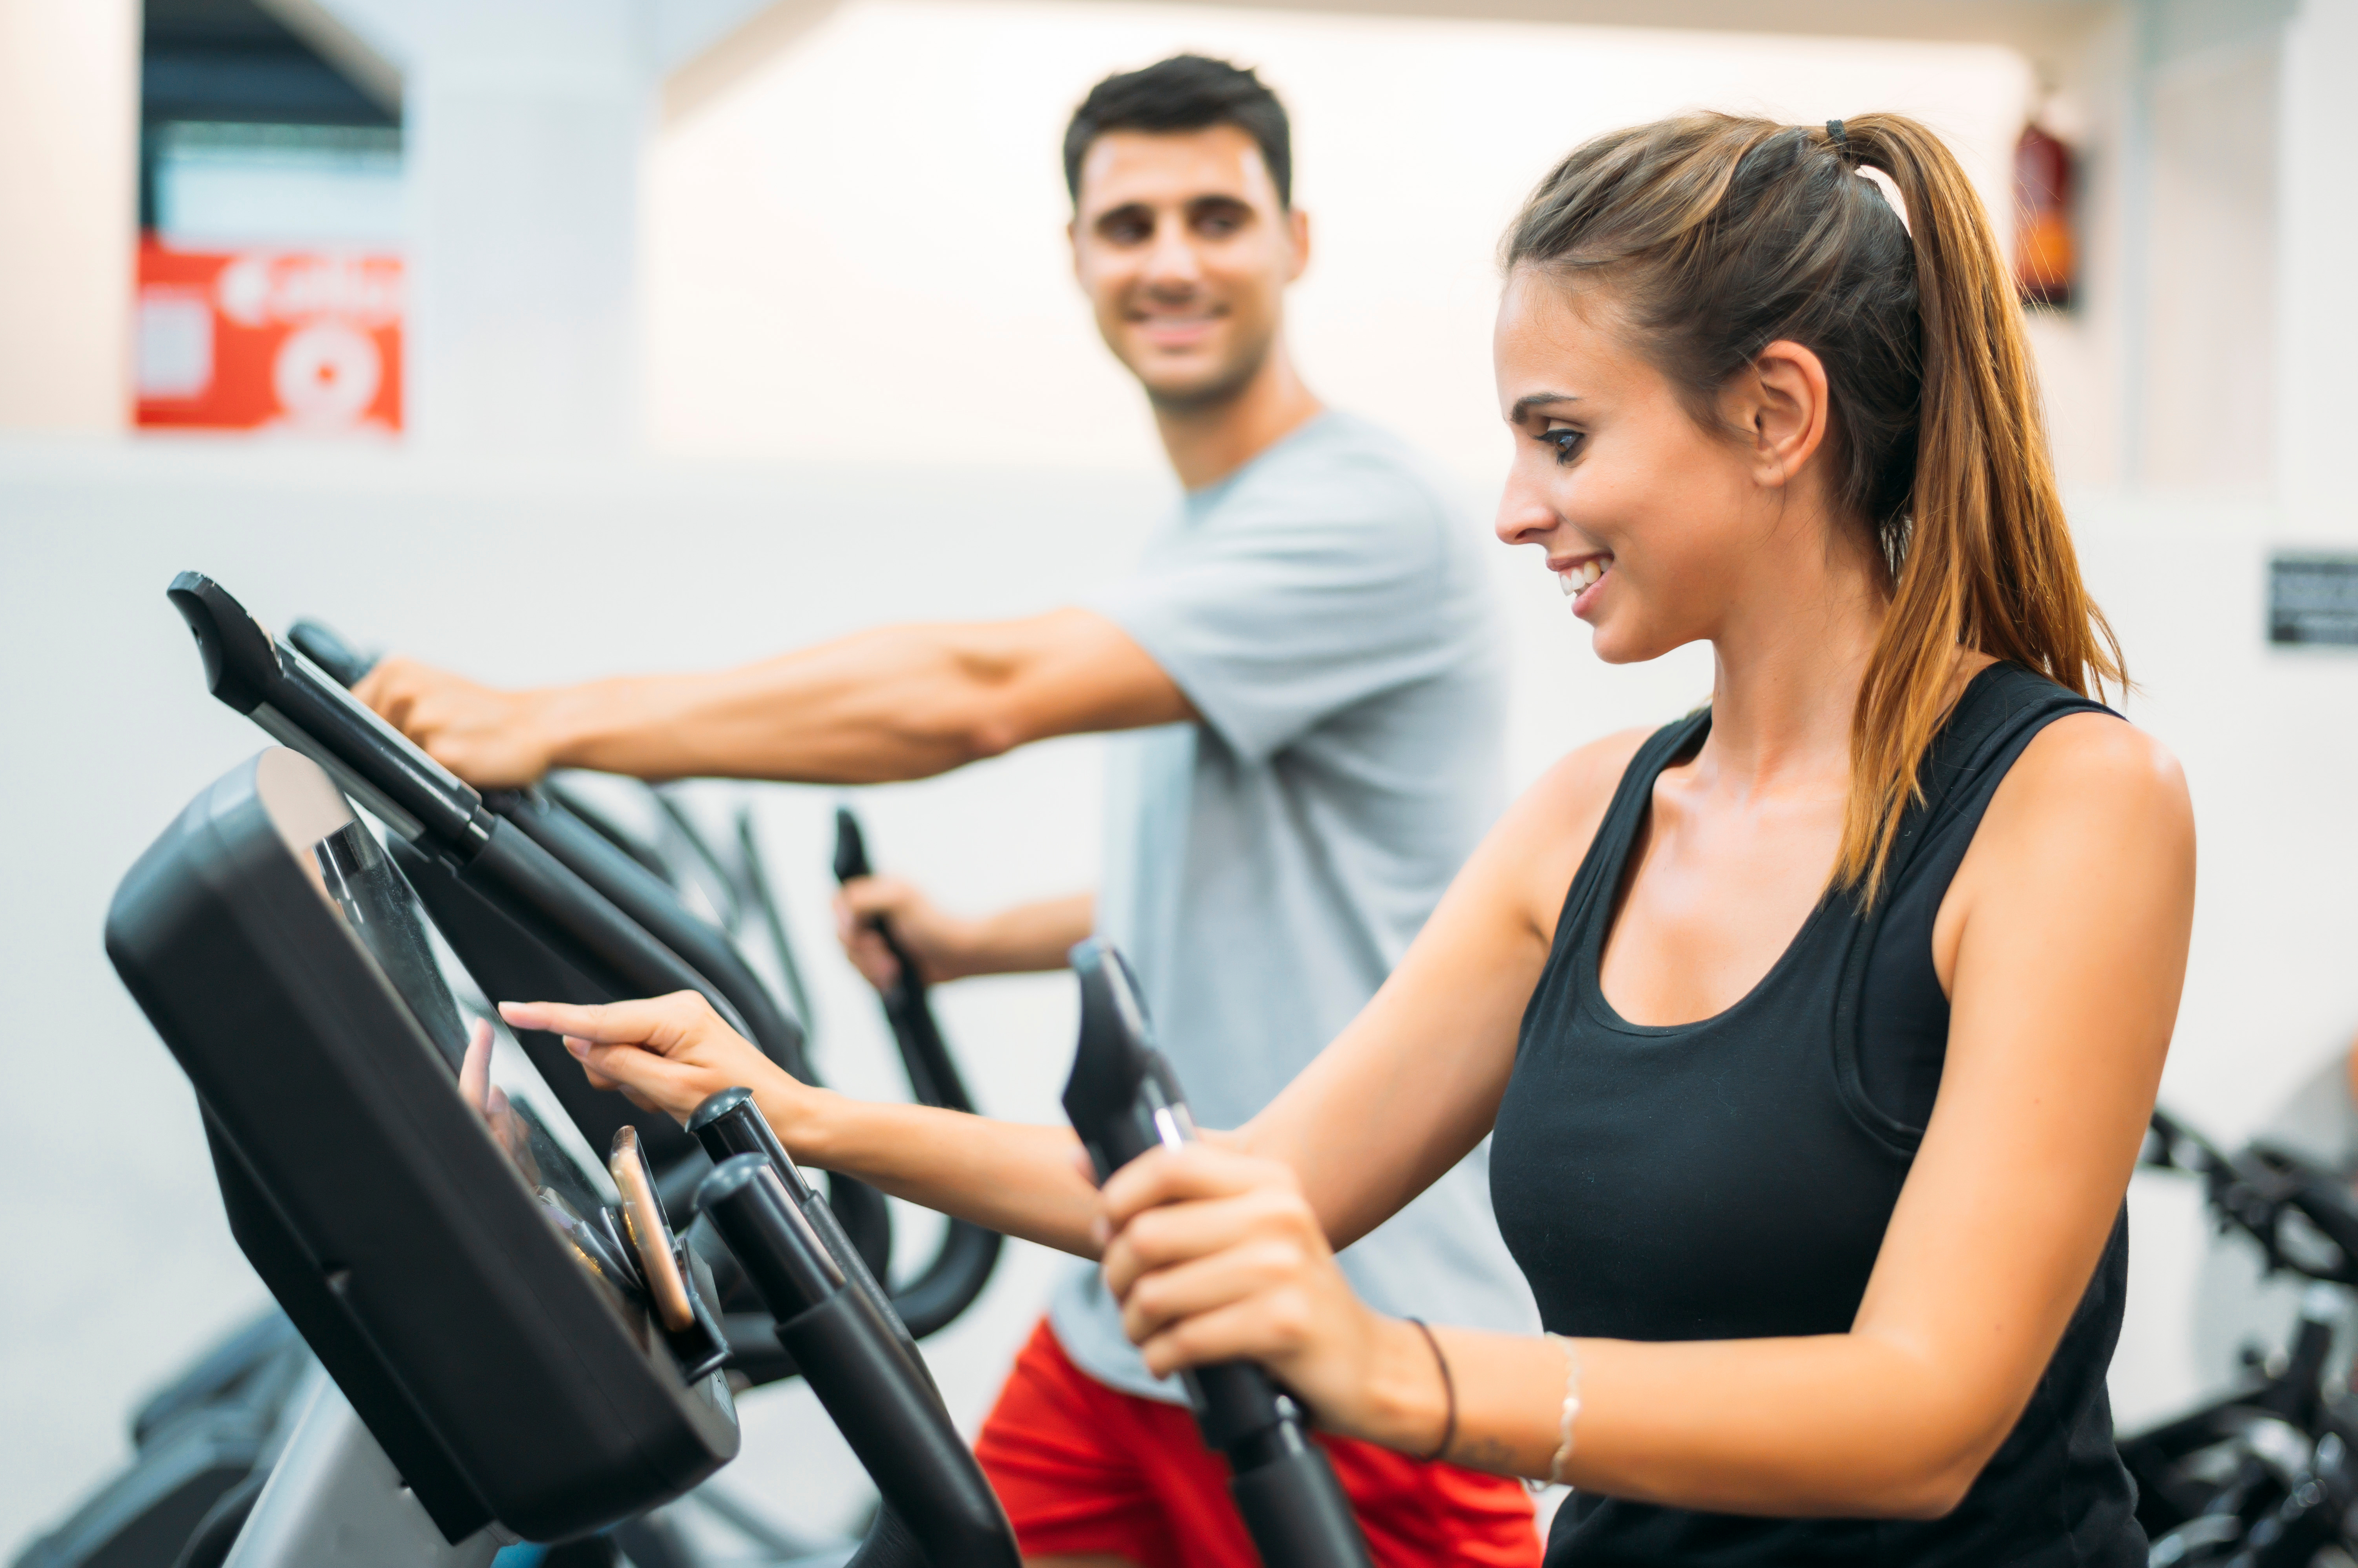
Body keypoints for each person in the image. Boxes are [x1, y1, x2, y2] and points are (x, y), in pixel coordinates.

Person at [507, 110, 2200, 1564]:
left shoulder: (2066, 807)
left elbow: (1923, 1412)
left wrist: (1398, 1373)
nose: (1517, 506)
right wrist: (795, 1113)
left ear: (1774, 415)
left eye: (1564, 436)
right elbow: (1253, 1186)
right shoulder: (1587, 822)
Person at [358, 54, 1543, 1568]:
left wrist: (554, 716)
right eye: (1129, 225)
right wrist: (977, 940)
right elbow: (1291, 877)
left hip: (1350, 1332)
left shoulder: (1366, 514)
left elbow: (977, 692)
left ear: (1294, 242)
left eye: (1215, 217)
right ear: (1077, 259)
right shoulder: (1218, 525)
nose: (1171, 260)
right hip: (1133, 1320)